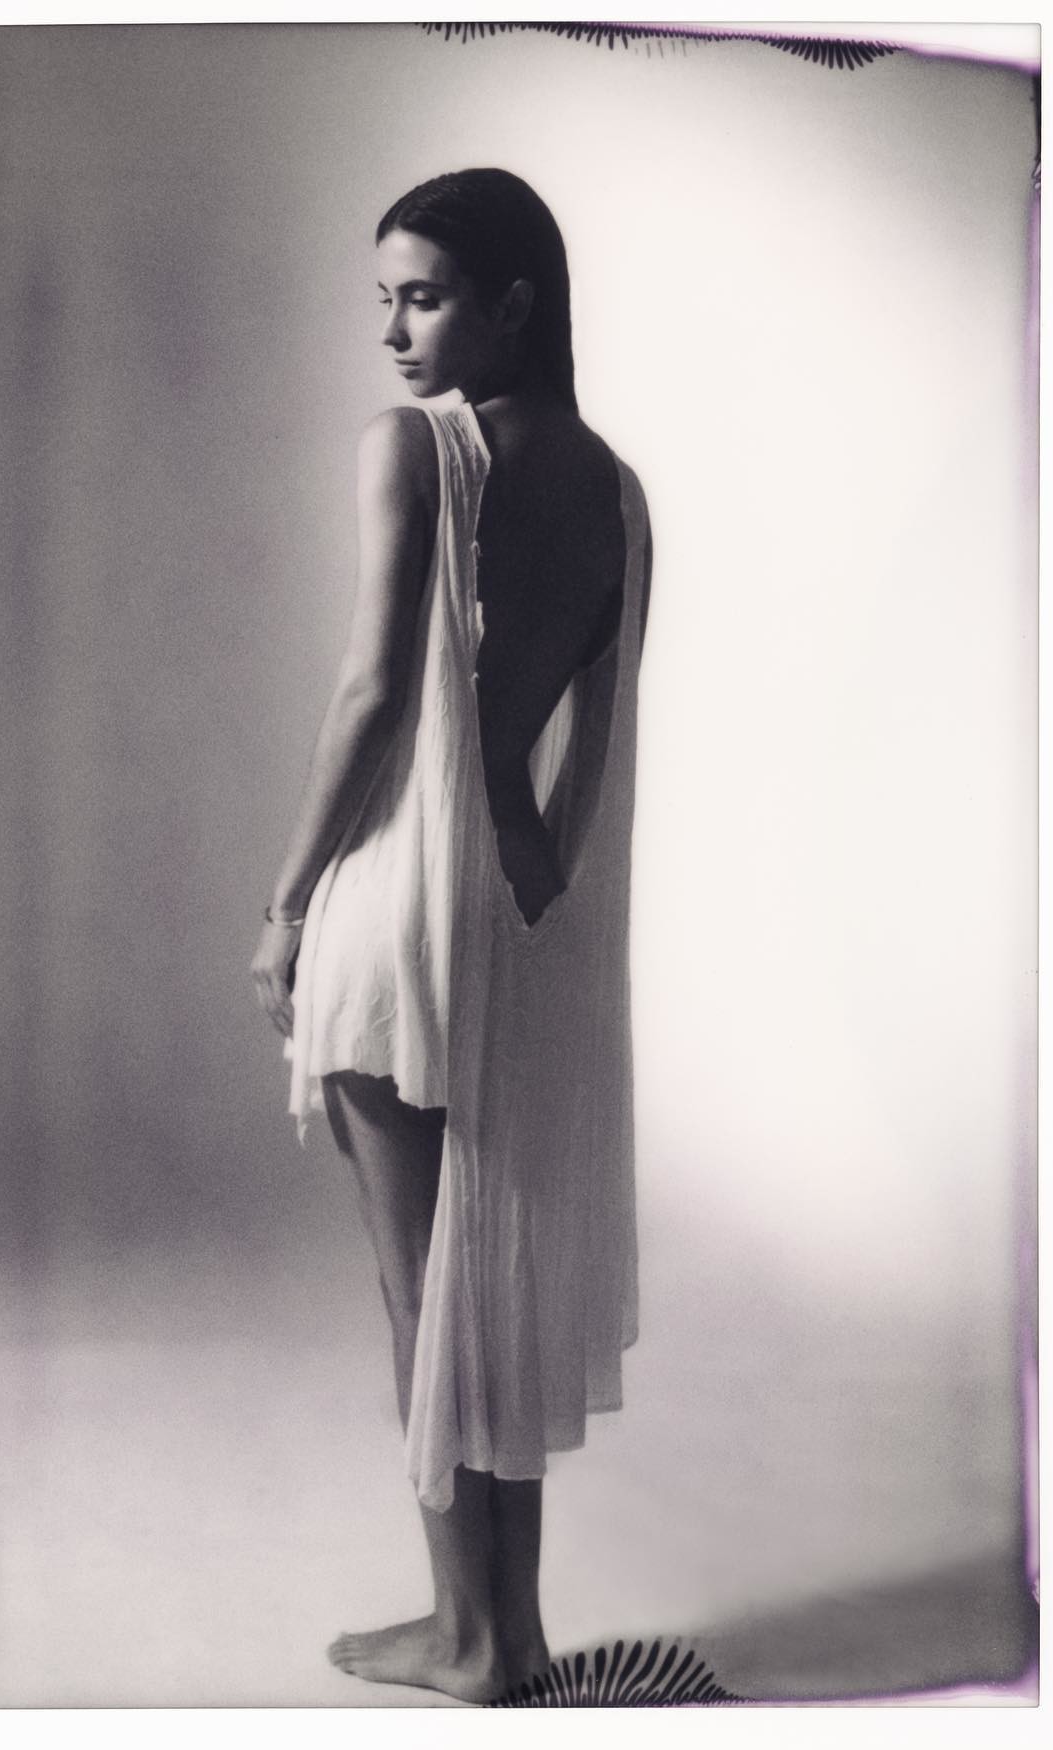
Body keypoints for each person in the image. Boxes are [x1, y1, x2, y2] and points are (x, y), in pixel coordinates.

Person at [250, 168, 652, 1705]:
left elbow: (373, 693)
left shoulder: (414, 450)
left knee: (425, 1292)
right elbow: (579, 747)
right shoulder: (618, 492)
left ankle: (467, 1635)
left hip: (404, 904)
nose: (393, 332)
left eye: (421, 297)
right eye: (386, 300)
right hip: (527, 909)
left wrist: (290, 900)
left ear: (512, 304)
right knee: (495, 1284)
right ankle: (513, 1629)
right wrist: (540, 890)